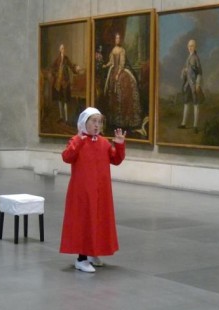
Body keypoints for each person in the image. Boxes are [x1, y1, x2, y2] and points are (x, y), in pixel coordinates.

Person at [60, 107, 126, 273]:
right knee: (84, 221)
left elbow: (116, 159)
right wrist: (79, 141)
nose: (97, 125)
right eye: (93, 121)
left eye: (99, 122)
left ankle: (93, 252)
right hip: (82, 192)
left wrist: (119, 145)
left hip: (101, 191)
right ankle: (81, 258)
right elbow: (67, 157)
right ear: (84, 123)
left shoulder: (103, 143)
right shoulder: (77, 140)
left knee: (98, 221)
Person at [101, 33, 143, 131]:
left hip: (120, 71)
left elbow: (122, 64)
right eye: (116, 38)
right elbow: (111, 62)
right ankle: (113, 120)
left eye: (119, 38)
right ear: (114, 39)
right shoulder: (113, 50)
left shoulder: (122, 50)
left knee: (124, 86)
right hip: (113, 71)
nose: (117, 39)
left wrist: (118, 74)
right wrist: (105, 65)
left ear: (120, 40)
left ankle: (124, 120)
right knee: (111, 92)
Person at [51, 43, 81, 123]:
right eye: (62, 48)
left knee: (65, 100)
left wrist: (76, 70)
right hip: (59, 83)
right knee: (60, 100)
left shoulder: (66, 59)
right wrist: (56, 74)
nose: (63, 50)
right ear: (60, 50)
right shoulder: (57, 60)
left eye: (64, 48)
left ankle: (66, 119)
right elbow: (52, 69)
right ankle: (61, 117)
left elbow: (71, 67)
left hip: (65, 83)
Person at [179, 39, 204, 133]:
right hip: (187, 84)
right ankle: (183, 123)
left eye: (192, 46)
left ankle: (195, 126)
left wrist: (198, 84)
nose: (190, 48)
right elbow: (188, 70)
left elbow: (199, 72)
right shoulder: (189, 57)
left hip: (194, 85)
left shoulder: (196, 57)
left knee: (196, 104)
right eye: (189, 46)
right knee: (186, 103)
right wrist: (184, 71)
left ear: (195, 47)